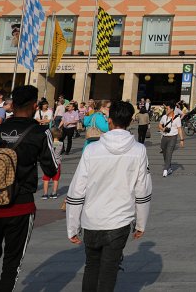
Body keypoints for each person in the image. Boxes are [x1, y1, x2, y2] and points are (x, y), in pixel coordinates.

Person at [0, 85, 59, 292]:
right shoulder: (40, 132)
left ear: (12, 105)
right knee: (11, 264)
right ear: (35, 106)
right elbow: (52, 168)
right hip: (20, 206)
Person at [66, 100, 152, 291]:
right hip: (120, 221)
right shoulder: (139, 150)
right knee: (109, 269)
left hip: (92, 220)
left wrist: (72, 225)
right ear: (130, 122)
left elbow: (77, 190)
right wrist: (141, 223)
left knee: (92, 266)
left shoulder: (91, 149)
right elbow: (143, 190)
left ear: (110, 120)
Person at [158, 105, 184, 177]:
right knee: (164, 151)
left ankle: (165, 169)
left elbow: (179, 129)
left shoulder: (177, 118)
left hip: (173, 137)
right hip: (164, 137)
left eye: (167, 108)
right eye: (166, 108)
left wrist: (182, 139)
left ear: (172, 109)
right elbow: (159, 125)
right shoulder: (164, 117)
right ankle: (168, 166)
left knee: (169, 152)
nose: (166, 110)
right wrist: (163, 129)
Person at [41, 129, 64, 200]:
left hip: (48, 163)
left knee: (46, 179)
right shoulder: (61, 144)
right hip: (57, 163)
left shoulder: (49, 143)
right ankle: (54, 193)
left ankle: (45, 194)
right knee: (56, 179)